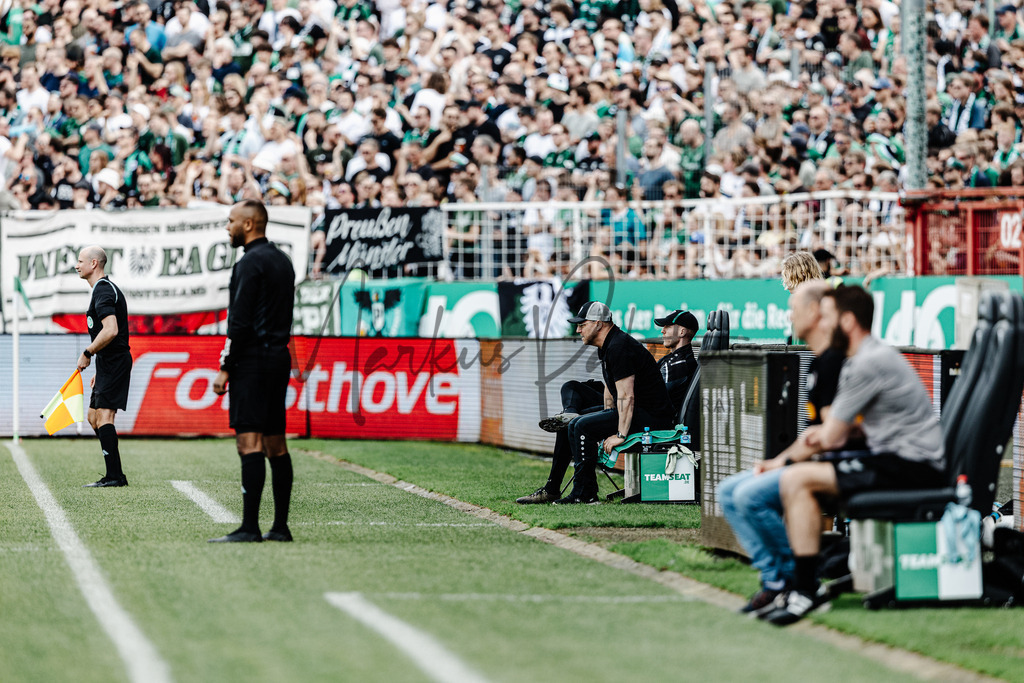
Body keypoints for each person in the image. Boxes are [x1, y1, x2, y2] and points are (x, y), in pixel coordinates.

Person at [761, 286, 946, 625]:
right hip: (901, 459)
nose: (823, 324)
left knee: (797, 479)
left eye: (828, 317)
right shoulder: (868, 357)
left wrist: (797, 451)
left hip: (914, 466)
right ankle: (802, 581)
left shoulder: (867, 363)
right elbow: (851, 429)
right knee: (800, 476)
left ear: (846, 321)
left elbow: (831, 437)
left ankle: (805, 589)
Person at [717, 280, 840, 612]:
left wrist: (785, 463)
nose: (789, 316)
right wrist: (780, 461)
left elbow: (830, 436)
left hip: (838, 467)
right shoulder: (819, 362)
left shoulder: (836, 361)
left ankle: (790, 578)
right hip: (814, 462)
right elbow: (815, 433)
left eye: (793, 308)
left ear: (813, 311)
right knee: (727, 492)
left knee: (748, 496)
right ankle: (775, 580)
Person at [521, 308, 700, 504]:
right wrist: (606, 417)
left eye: (583, 325)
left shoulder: (619, 347)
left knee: (581, 425)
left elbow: (627, 395)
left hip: (652, 417)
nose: (578, 330)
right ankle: (552, 489)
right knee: (571, 422)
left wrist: (620, 434)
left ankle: (584, 494)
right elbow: (611, 386)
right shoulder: (609, 345)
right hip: (639, 411)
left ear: (598, 324)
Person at [210, 199, 296, 543]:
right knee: (276, 442)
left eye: (231, 221)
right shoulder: (283, 260)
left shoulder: (248, 263)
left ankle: (249, 528)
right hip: (278, 358)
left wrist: (225, 368)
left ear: (248, 224)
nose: (227, 227)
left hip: (252, 362)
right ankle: (280, 527)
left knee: (249, 442)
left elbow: (240, 321)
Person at [75, 246, 132, 488]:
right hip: (108, 363)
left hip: (115, 362)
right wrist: (100, 368)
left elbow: (111, 330)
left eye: (80, 261)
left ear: (94, 263)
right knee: (93, 418)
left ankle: (114, 476)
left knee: (105, 416)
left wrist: (88, 352)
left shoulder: (103, 290)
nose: (76, 265)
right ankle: (115, 471)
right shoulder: (101, 289)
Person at [652, 310, 700, 413]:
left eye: (668, 326)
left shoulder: (677, 365)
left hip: (662, 419)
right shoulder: (679, 360)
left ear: (682, 332)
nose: (662, 331)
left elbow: (654, 398)